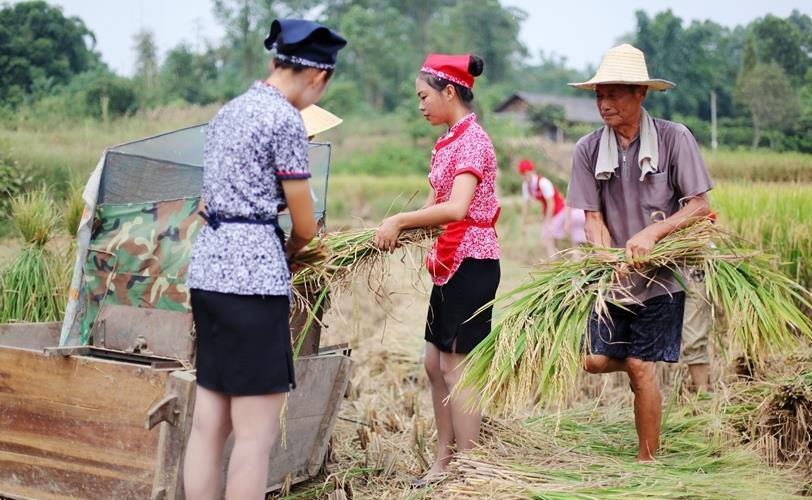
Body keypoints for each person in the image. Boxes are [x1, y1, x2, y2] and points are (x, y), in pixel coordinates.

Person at [183, 19, 346, 500]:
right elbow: (305, 223)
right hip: (253, 280)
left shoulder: (228, 112)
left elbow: (209, 199)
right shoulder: (284, 120)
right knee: (255, 435)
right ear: (318, 77)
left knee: (209, 424)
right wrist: (297, 249)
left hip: (209, 273)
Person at [566, 44, 713, 462]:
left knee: (638, 367)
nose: (604, 103)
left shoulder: (673, 138)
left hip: (663, 277)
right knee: (593, 360)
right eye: (599, 95)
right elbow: (592, 217)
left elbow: (699, 204)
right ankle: (648, 356)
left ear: (640, 94)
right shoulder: (588, 150)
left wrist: (654, 232)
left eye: (614, 94)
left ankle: (646, 463)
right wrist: (606, 259)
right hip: (614, 279)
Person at [375, 53, 500, 486]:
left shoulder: (473, 140)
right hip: (449, 262)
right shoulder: (447, 141)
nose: (421, 105)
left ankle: (470, 468)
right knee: (433, 363)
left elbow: (458, 206)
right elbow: (434, 206)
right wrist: (395, 233)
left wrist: (400, 221)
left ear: (450, 92)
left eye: (425, 96)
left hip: (474, 260)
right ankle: (443, 461)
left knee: (456, 365)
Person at [518, 159, 586, 258]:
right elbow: (526, 205)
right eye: (523, 175)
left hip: (560, 210)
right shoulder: (526, 186)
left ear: (532, 171)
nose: (526, 177)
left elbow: (551, 203)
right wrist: (524, 223)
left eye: (527, 174)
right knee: (548, 239)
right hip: (550, 213)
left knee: (548, 237)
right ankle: (555, 260)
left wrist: (548, 222)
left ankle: (555, 261)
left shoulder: (543, 182)